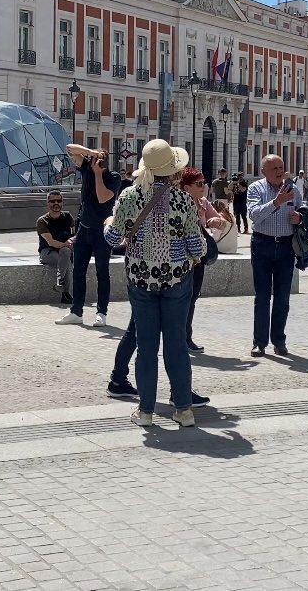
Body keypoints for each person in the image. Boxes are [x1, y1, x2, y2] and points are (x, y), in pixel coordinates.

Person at [103, 139, 204, 427]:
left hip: (141, 280)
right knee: (176, 345)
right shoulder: (183, 200)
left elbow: (112, 240)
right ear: (172, 170)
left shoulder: (128, 197)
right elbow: (197, 248)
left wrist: (109, 224)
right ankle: (184, 410)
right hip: (177, 281)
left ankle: (146, 411)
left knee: (146, 346)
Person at [246, 154, 304, 356]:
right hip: (262, 244)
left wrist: (299, 218)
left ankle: (279, 340)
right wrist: (276, 202)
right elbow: (254, 215)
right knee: (262, 296)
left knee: (282, 297)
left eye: (281, 167)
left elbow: (302, 212)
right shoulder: (255, 189)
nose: (279, 172)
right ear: (263, 172)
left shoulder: (293, 190)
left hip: (286, 247)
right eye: (274, 169)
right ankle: (259, 342)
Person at [57, 144, 120, 327]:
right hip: (83, 228)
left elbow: (102, 198)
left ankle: (101, 313)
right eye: (94, 160)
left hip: (102, 232)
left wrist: (98, 174)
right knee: (78, 271)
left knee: (102, 273)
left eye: (99, 160)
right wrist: (91, 153)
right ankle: (76, 311)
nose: (94, 162)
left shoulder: (112, 177)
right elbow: (69, 148)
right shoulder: (86, 167)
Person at [180, 167, 227, 353]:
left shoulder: (202, 202)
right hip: (178, 260)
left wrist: (218, 221)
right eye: (199, 184)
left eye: (204, 183)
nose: (203, 187)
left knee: (191, 298)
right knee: (177, 300)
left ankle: (186, 337)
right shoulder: (176, 203)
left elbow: (220, 220)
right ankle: (175, 337)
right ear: (186, 187)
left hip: (197, 259)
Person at [36, 190, 75, 305]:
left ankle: (60, 283)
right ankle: (65, 293)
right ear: (48, 203)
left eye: (59, 201)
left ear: (62, 203)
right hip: (47, 252)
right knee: (66, 261)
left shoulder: (68, 217)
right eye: (53, 201)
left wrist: (70, 242)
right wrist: (67, 244)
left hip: (65, 250)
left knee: (66, 254)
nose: (56, 203)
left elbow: (74, 235)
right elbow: (51, 242)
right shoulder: (42, 221)